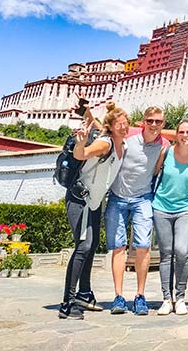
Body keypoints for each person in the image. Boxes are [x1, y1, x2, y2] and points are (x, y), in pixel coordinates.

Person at [59, 102, 128, 319]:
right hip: (80, 199)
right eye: (120, 125)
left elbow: (95, 123)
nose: (124, 128)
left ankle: (85, 293)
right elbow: (83, 154)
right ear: (111, 127)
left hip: (95, 202)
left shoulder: (120, 144)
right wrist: (80, 143)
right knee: (83, 245)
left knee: (92, 245)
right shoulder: (105, 144)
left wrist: (87, 112)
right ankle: (67, 303)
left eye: (126, 124)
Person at [101, 106, 167, 316]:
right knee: (118, 247)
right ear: (142, 122)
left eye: (158, 121)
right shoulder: (128, 136)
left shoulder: (163, 145)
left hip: (143, 199)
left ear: (163, 124)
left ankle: (140, 295)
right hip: (117, 198)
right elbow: (107, 130)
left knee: (143, 246)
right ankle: (118, 296)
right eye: (150, 121)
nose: (154, 125)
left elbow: (157, 169)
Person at [153, 119, 188, 316]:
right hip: (161, 207)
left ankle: (181, 296)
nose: (185, 135)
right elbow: (155, 174)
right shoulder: (165, 152)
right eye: (182, 132)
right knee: (166, 253)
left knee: (182, 250)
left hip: (187, 208)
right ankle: (167, 298)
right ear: (176, 134)